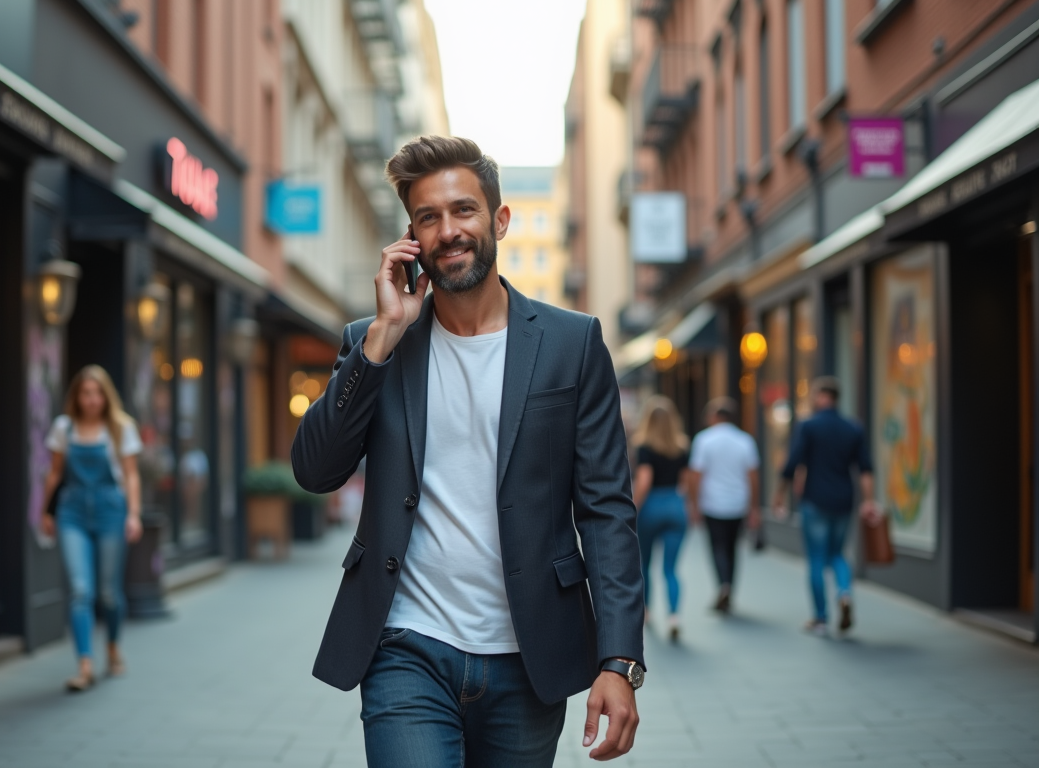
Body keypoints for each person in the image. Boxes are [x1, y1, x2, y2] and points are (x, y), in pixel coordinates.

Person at [292, 135, 644, 767]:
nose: (448, 230)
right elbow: (316, 470)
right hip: (406, 646)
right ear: (411, 238)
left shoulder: (573, 343)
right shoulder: (375, 342)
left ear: (499, 220)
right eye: (429, 217)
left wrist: (619, 661)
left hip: (528, 653)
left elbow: (606, 512)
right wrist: (380, 340)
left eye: (463, 211)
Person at [41, 365, 142, 692]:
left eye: (97, 393)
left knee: (109, 593)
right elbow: (54, 473)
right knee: (81, 590)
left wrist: (134, 515)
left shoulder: (120, 428)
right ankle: (85, 664)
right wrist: (46, 512)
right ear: (76, 396)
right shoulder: (63, 428)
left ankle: (112, 646)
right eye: (86, 393)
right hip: (72, 512)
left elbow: (131, 475)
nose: (92, 399)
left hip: (111, 511)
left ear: (106, 395)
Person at [772, 376, 877, 636]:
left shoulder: (808, 426)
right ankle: (844, 593)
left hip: (815, 501)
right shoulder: (853, 428)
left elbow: (792, 462)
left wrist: (779, 494)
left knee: (817, 559)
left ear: (820, 397)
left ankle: (820, 618)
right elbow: (865, 469)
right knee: (838, 554)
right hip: (843, 500)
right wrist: (869, 501)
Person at [686, 397, 760, 614]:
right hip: (738, 503)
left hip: (713, 504)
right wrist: (754, 507)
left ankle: (723, 585)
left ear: (714, 416)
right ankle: (729, 588)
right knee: (732, 548)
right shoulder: (745, 441)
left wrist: (694, 504)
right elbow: (753, 477)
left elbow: (695, 475)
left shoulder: (704, 440)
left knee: (717, 546)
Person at [632, 396, 690, 642]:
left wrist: (632, 507)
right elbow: (687, 481)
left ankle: (646, 611)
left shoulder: (644, 447)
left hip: (651, 508)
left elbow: (644, 481)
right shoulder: (682, 446)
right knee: (671, 569)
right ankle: (674, 617)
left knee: (644, 566)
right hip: (676, 506)